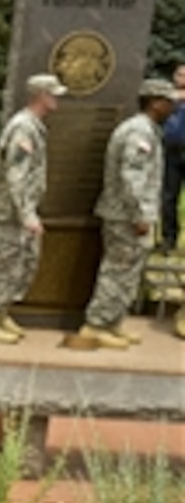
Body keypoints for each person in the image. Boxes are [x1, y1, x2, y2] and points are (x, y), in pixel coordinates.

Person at [78, 79, 176, 349]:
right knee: (117, 272)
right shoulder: (138, 132)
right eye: (169, 102)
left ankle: (112, 322)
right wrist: (141, 215)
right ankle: (95, 325)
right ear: (155, 102)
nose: (173, 107)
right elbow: (132, 177)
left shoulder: (147, 129)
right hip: (126, 217)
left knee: (127, 274)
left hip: (128, 215)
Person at [0, 74, 67, 344]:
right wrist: (27, 215)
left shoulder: (33, 126)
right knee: (4, 264)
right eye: (53, 93)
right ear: (40, 95)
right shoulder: (23, 127)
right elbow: (15, 174)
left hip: (18, 211)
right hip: (12, 213)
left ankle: (2, 314)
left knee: (18, 264)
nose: (57, 98)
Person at [158, 63, 185, 254]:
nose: (182, 78)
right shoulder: (167, 99)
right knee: (168, 197)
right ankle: (169, 238)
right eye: (179, 74)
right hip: (171, 152)